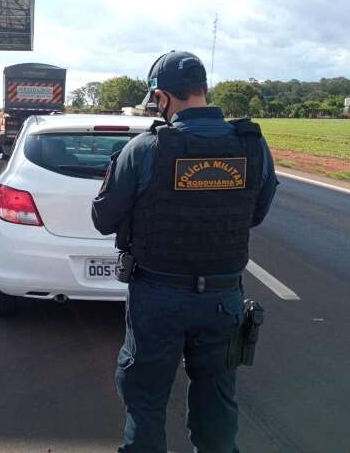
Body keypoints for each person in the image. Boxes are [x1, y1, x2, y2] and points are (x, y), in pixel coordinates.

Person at [91, 51, 278, 453]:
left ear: (162, 97)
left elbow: (103, 218)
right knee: (217, 406)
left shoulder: (144, 149)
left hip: (156, 297)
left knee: (145, 403)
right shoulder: (253, 145)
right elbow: (256, 214)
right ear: (203, 90)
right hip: (223, 300)